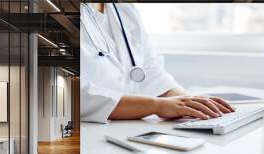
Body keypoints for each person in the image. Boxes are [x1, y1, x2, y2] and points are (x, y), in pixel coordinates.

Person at [80, 3, 235, 123]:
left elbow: (150, 71)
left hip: (129, 132)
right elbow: (75, 94)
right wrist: (157, 105)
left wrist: (191, 103)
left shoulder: (123, 8)